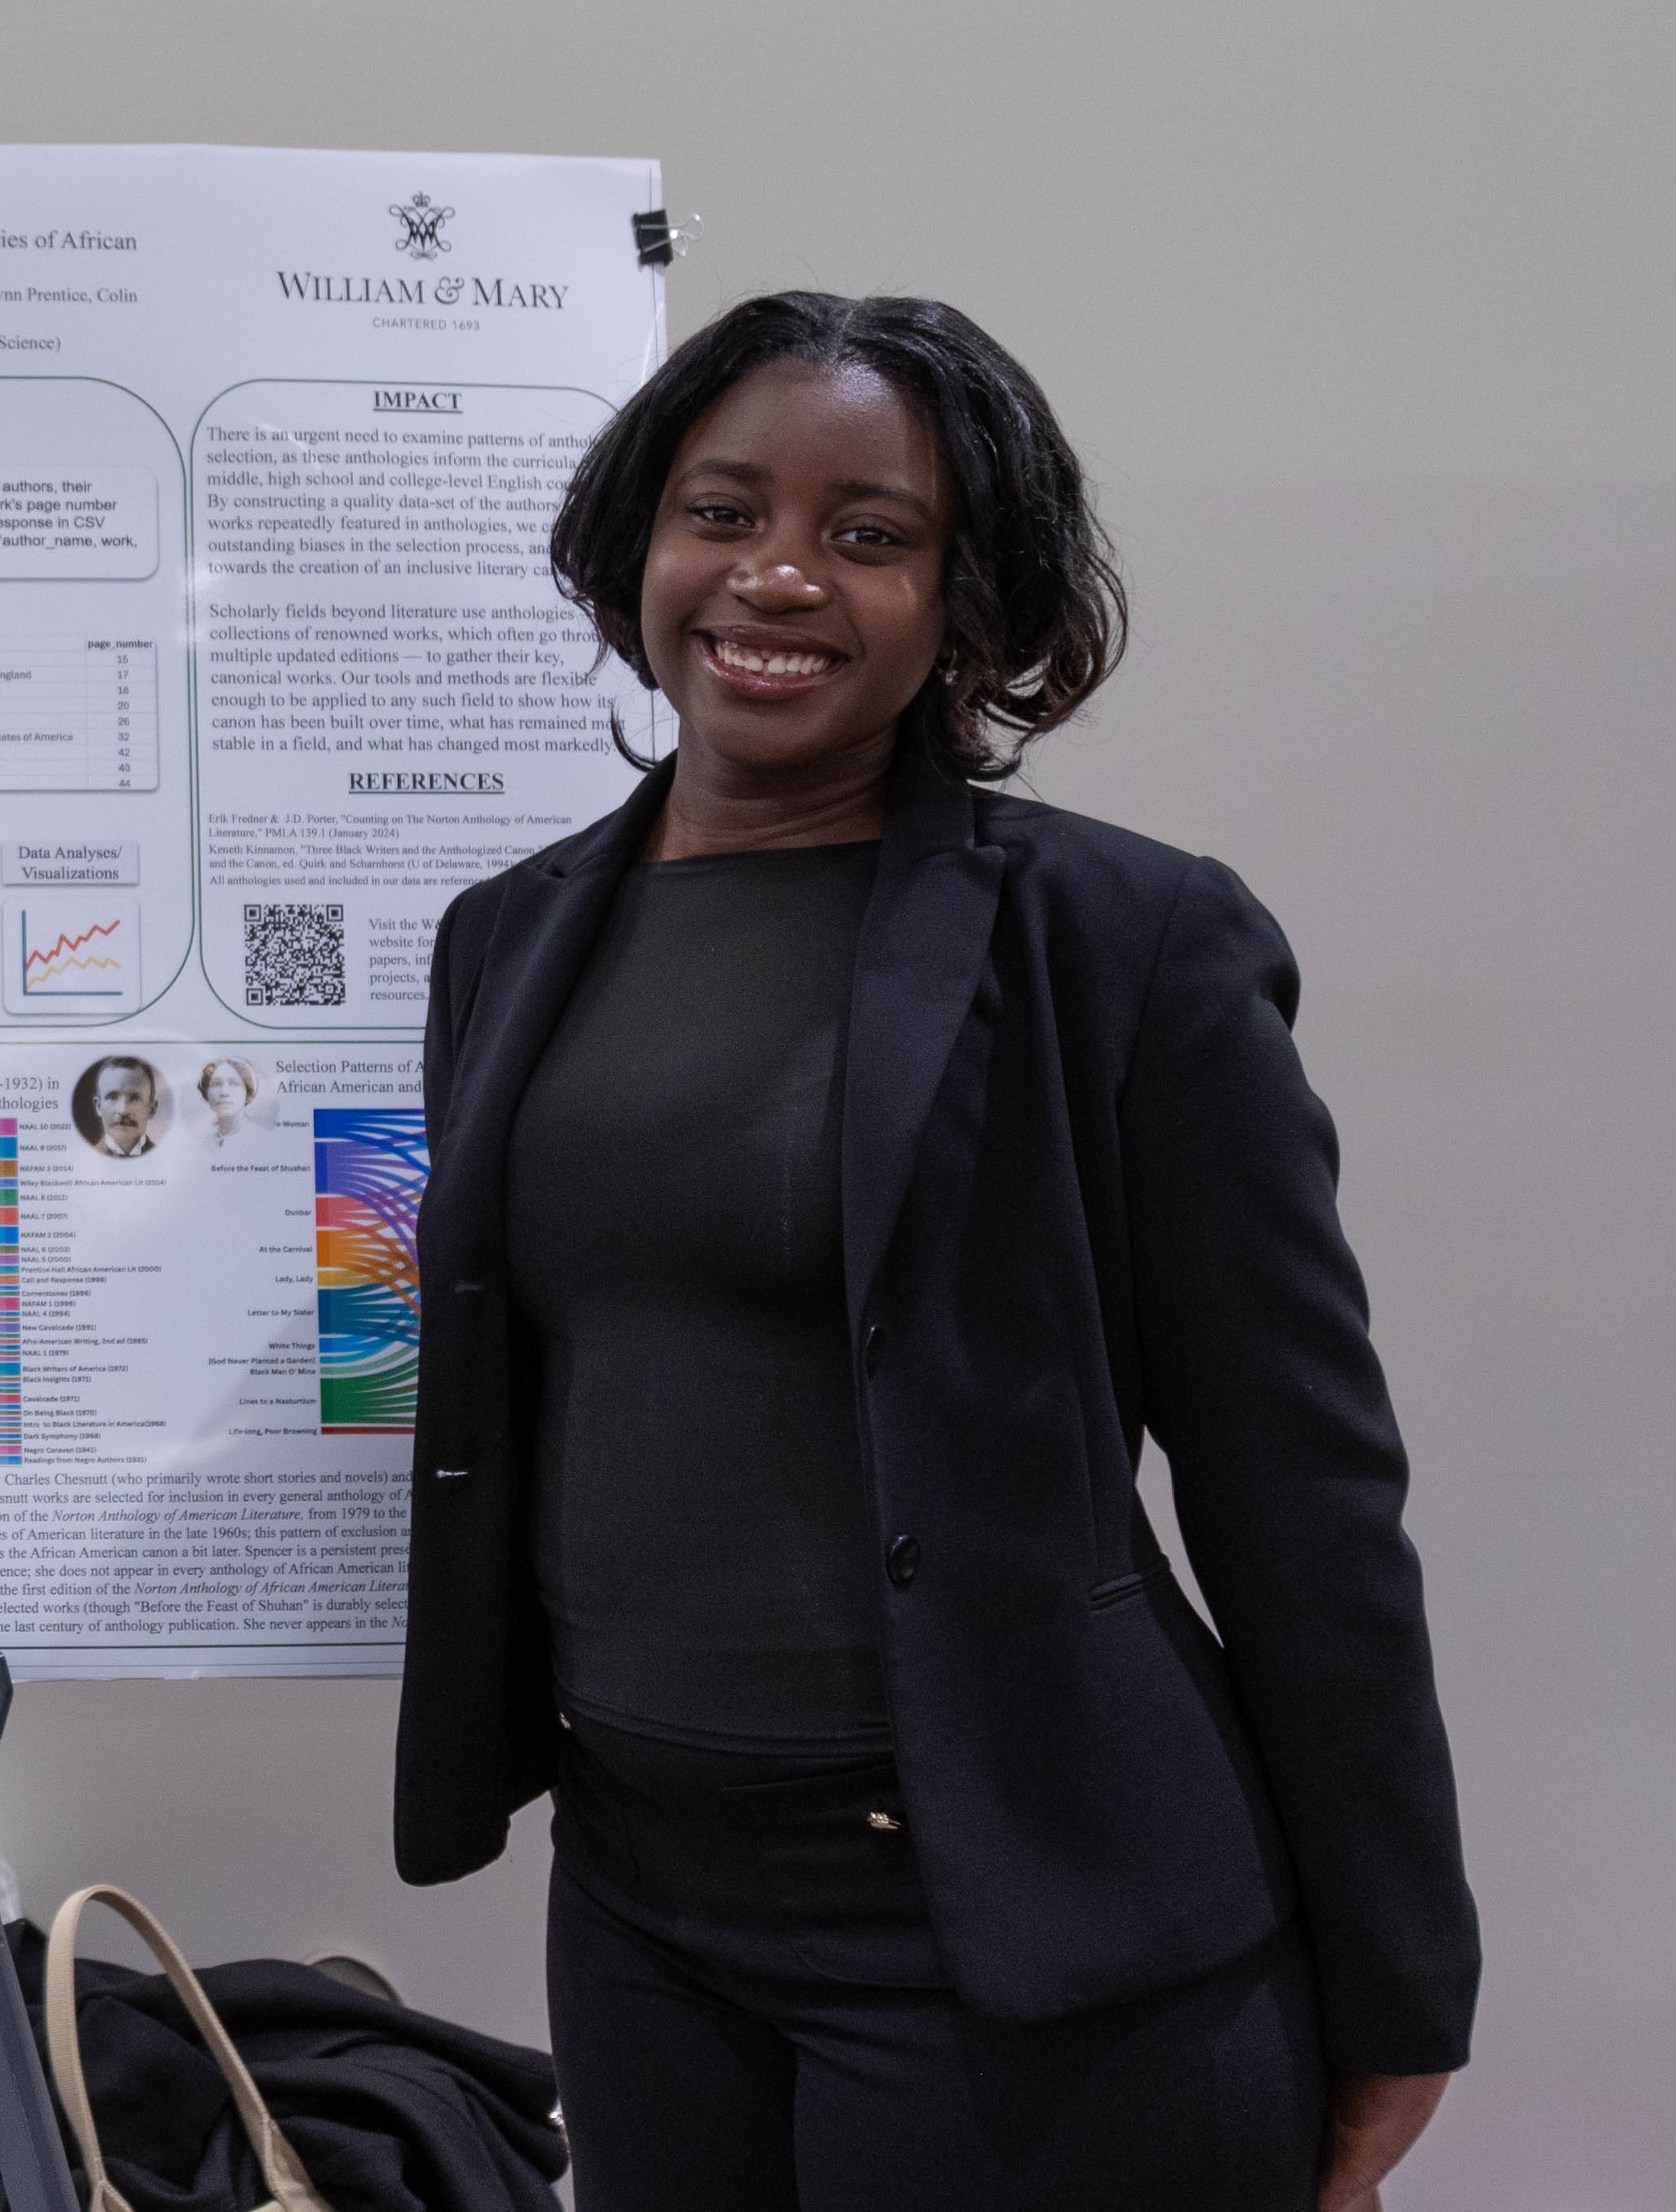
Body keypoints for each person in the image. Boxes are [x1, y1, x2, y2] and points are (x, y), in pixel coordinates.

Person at [396, 293, 1480, 2212]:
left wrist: (1401, 1987)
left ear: (970, 599)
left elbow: (1298, 1487)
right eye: (722, 512)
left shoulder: (1123, 942)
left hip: (1025, 1934)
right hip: (647, 1908)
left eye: (869, 532)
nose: (778, 573)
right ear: (639, 540)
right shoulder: (508, 935)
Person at [86, 1056, 163, 1158]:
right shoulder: (86, 1161)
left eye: (135, 1098)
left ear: (151, 1109)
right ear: (99, 1107)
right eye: (112, 1097)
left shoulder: (165, 1159)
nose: (123, 1110)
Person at [196, 1057, 260, 1146]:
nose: (224, 1092)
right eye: (216, 1084)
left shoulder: (257, 1138)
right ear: (206, 1092)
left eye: (234, 1084)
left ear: (247, 1091)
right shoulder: (204, 1144)